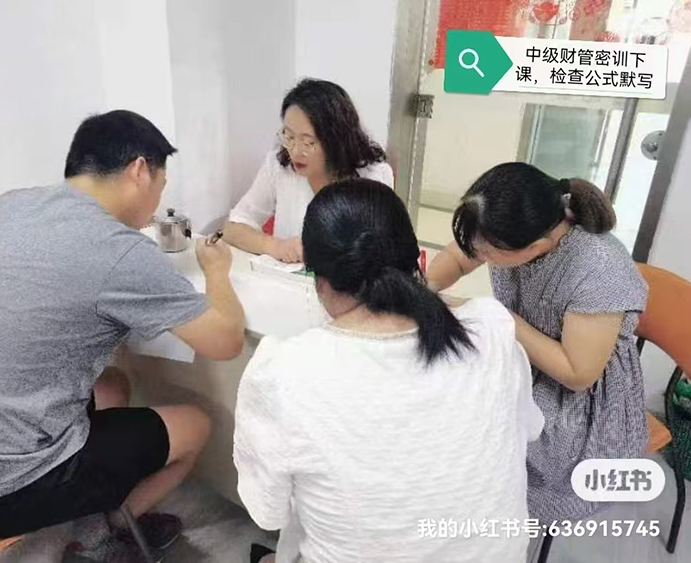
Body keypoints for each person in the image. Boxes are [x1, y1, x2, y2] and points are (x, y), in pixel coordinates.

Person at [0, 110, 245, 560]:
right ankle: (107, 537)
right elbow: (226, 340)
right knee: (196, 425)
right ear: (139, 170)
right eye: (161, 186)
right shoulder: (118, 250)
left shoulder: (10, 204)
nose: (156, 204)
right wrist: (217, 271)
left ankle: (95, 510)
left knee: (114, 385)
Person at [234, 179, 543, 563]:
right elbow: (529, 429)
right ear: (417, 261)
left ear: (320, 281)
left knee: (294, 534)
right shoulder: (492, 330)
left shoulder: (282, 373)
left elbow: (268, 511)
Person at [426, 163, 648, 524]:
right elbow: (458, 258)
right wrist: (425, 288)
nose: (480, 256)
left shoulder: (599, 268)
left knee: (470, 438)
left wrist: (497, 317)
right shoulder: (509, 226)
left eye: (489, 254)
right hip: (524, 355)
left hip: (577, 403)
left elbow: (578, 374)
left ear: (538, 246)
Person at [224, 78, 394, 263]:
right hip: (284, 279)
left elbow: (381, 252)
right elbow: (233, 227)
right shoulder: (279, 166)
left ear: (335, 141)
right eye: (289, 137)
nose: (296, 151)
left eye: (308, 142)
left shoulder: (373, 176)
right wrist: (275, 246)